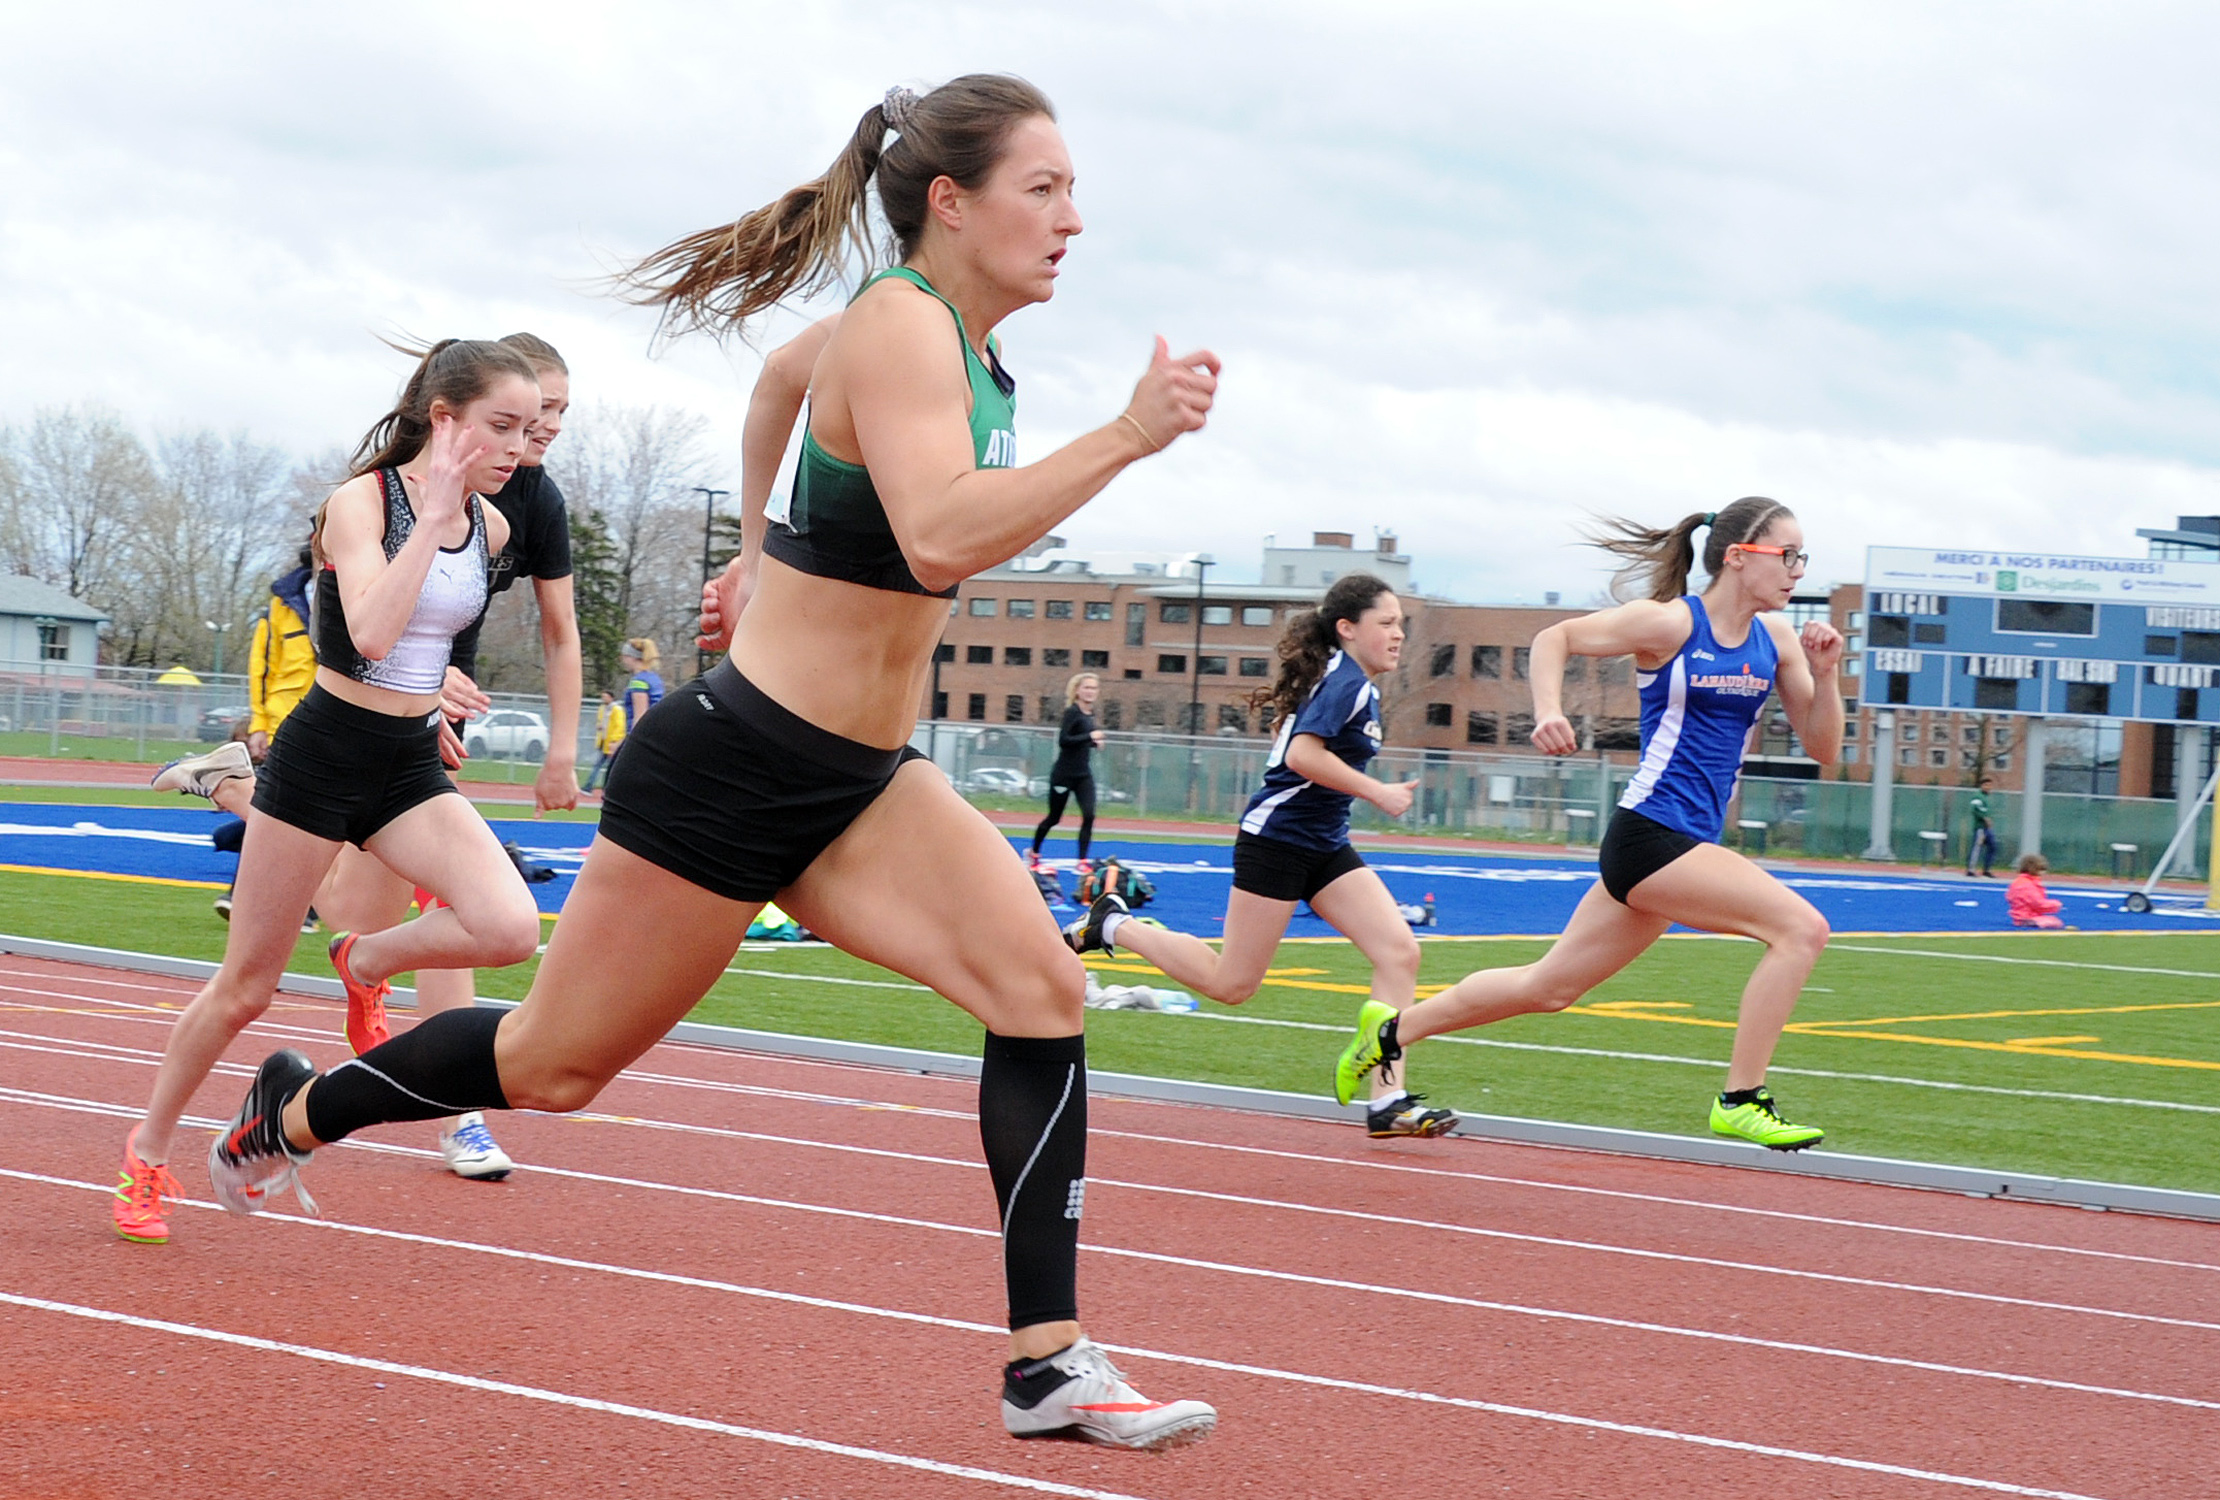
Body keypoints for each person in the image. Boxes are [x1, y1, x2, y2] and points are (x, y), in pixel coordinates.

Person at [209, 76, 1222, 1450]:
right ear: (951, 201)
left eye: (1071, 192)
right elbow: (937, 534)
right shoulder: (900, 324)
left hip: (860, 781)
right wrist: (1129, 434)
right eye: (1043, 190)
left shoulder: (965, 354)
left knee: (1042, 992)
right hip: (736, 767)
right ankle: (298, 1108)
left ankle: (1045, 1362)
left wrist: (753, 552)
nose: (1072, 220)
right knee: (553, 1067)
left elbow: (778, 386)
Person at [112, 338, 546, 1244]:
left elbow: (441, 636)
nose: (519, 447)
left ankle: (364, 961)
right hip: (322, 758)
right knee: (246, 988)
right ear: (445, 420)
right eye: (502, 426)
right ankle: (146, 1155)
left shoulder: (496, 528)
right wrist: (430, 519)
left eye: (530, 428)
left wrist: (443, 696)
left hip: (408, 766)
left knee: (509, 926)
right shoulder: (363, 504)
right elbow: (373, 634)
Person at [1332, 496, 1844, 1151]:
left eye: (1803, 557)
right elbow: (1557, 638)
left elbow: (1824, 747)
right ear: (1740, 557)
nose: (1798, 570)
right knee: (1801, 929)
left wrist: (1826, 675)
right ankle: (1742, 1098)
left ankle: (1389, 1033)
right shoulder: (1669, 624)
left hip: (1686, 844)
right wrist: (1548, 710)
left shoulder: (1776, 641)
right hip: (1652, 835)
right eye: (1788, 555)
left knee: (1548, 987)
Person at [1066, 573, 1455, 1138]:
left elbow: (1293, 739)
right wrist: (1378, 791)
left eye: (1401, 624)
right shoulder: (1345, 682)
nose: (1399, 634)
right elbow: (1301, 755)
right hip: (1277, 843)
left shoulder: (1352, 683)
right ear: (1348, 629)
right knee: (1232, 985)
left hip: (1324, 843)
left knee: (1399, 952)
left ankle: (1386, 1101)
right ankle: (1114, 925)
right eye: (1387, 623)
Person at [154, 545, 317, 922]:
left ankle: (226, 797)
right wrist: (259, 723)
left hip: (337, 722)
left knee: (304, 817)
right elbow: (261, 667)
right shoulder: (281, 605)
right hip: (289, 722)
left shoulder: (357, 590)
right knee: (288, 811)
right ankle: (258, 894)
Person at [1029, 671, 1103, 869]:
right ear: (1078, 691)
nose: (1090, 691)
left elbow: (1081, 742)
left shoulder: (1091, 714)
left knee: (1089, 815)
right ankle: (1034, 852)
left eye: (1094, 688)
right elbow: (1064, 740)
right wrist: (1090, 737)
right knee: (1054, 818)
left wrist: (1094, 743)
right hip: (1064, 775)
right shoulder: (1072, 712)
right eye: (1087, 687)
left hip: (1083, 775)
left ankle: (1082, 860)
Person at [2008, 853, 2065, 927]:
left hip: (2020, 915)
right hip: (2027, 916)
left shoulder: (2019, 882)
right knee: (2055, 922)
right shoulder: (2027, 885)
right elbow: (2037, 903)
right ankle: (2030, 922)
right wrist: (2056, 905)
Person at [621, 638, 664, 734]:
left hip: (641, 735)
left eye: (625, 656)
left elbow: (640, 717)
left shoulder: (639, 682)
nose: (623, 660)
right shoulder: (654, 678)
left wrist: (632, 739)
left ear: (633, 657)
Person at [585, 689, 625, 790]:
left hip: (611, 743)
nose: (603, 699)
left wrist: (614, 741)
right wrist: (599, 726)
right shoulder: (602, 709)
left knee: (611, 766)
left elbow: (619, 726)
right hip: (603, 741)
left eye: (605, 697)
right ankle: (589, 786)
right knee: (597, 765)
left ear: (611, 698)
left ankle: (608, 787)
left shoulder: (617, 709)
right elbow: (601, 721)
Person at [1966, 776, 1998, 877]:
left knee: (1993, 846)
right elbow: (1975, 809)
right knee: (1977, 847)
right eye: (1986, 785)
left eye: (1990, 785)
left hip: (1987, 828)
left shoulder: (1987, 798)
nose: (1988, 787)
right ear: (1982, 785)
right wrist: (1984, 818)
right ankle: (1971, 869)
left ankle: (1987, 869)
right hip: (1980, 827)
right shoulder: (1978, 796)